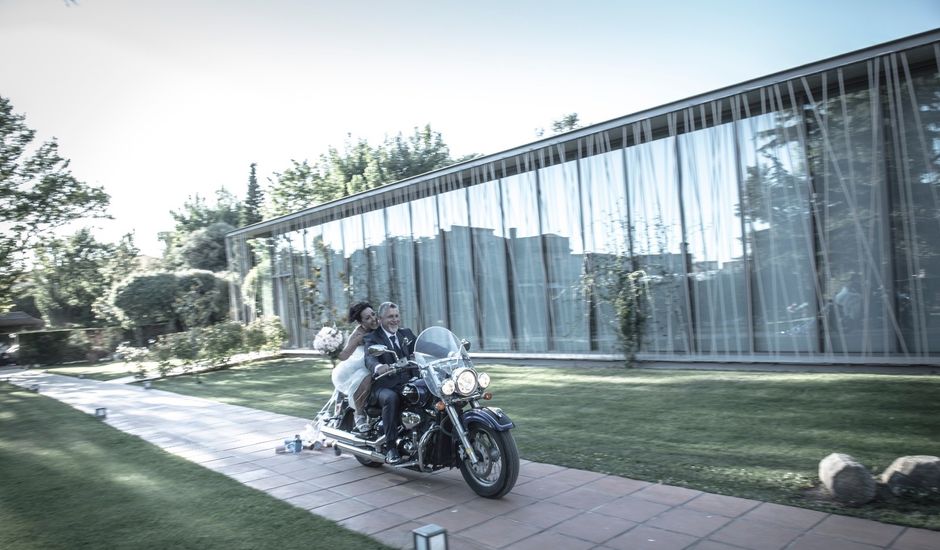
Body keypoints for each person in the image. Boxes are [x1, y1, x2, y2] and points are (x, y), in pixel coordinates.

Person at [364, 301, 417, 464]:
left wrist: (449, 352)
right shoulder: (372, 338)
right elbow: (369, 358)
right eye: (390, 317)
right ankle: (391, 447)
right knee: (391, 398)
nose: (394, 320)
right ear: (380, 319)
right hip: (383, 385)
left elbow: (423, 347)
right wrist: (378, 366)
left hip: (408, 382)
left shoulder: (406, 333)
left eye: (396, 316)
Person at [330, 302, 379, 433]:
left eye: (373, 314)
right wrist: (331, 348)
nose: (373, 319)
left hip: (379, 362)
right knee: (365, 376)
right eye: (367, 318)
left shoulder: (380, 325)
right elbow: (344, 355)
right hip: (358, 366)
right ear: (360, 322)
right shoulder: (357, 335)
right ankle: (359, 415)